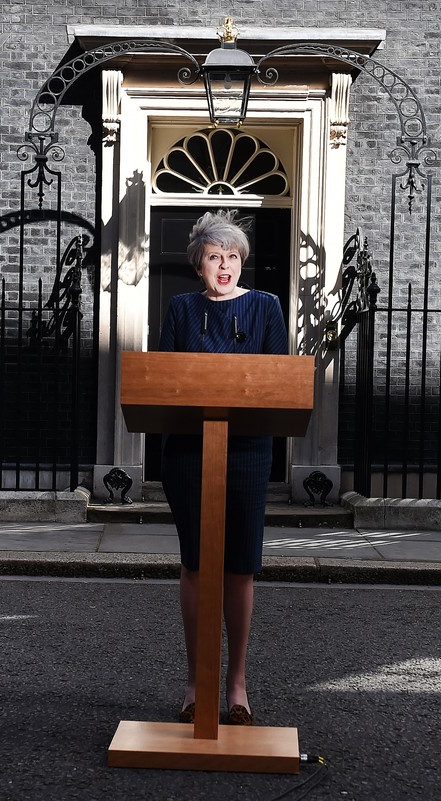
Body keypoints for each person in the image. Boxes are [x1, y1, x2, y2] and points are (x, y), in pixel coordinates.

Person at [158, 210, 288, 727]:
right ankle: (195, 682)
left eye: (233, 257)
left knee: (239, 566)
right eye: (215, 257)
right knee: (195, 563)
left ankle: (236, 683)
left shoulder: (267, 307)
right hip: (189, 452)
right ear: (199, 265)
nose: (225, 265)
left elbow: (280, 380)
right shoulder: (181, 309)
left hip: (248, 451)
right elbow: (164, 379)